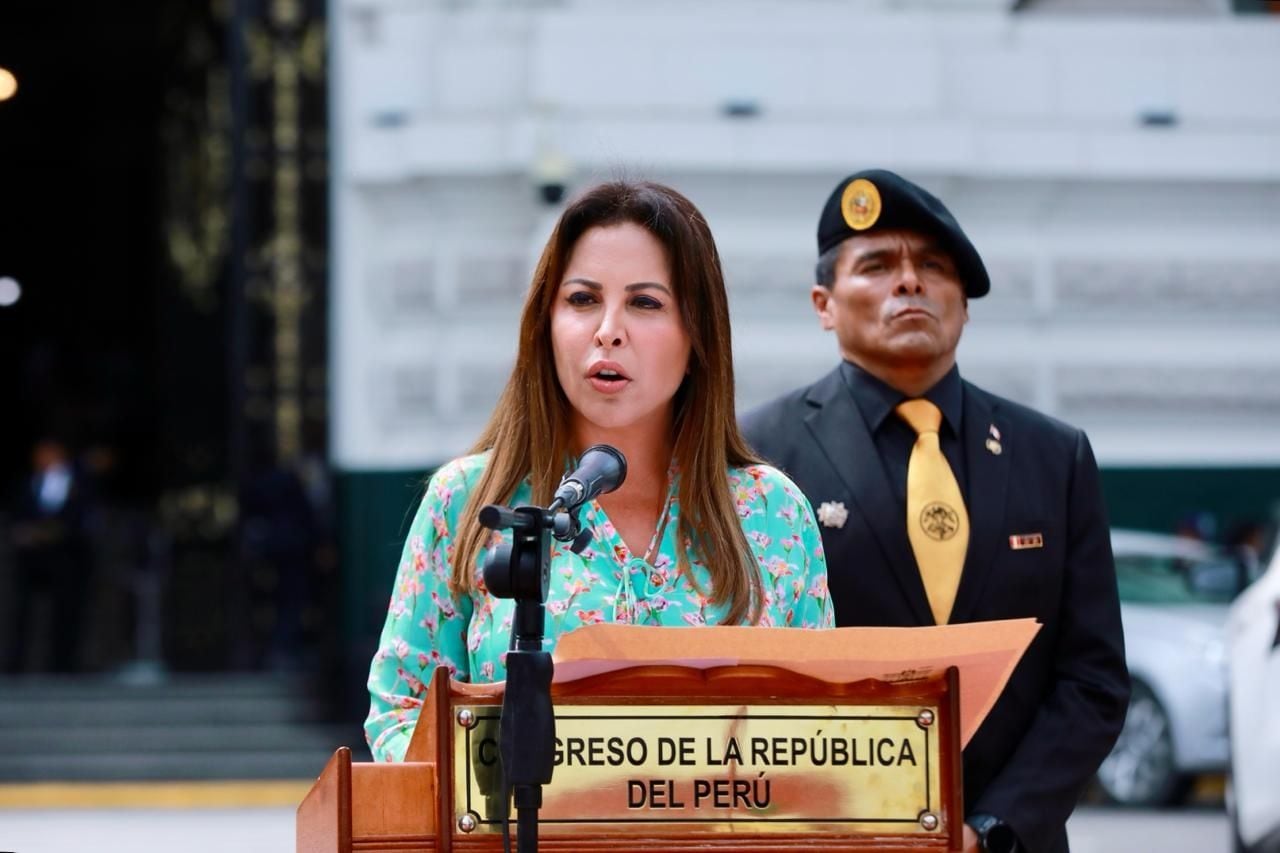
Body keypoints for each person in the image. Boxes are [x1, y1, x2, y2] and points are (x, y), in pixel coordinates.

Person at [366, 180, 833, 763]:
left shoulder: (773, 511)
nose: (608, 329)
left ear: (698, 338)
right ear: (546, 326)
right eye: (583, 299)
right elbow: (401, 713)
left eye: (646, 303)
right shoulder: (468, 500)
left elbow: (824, 733)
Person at [741, 170, 1129, 853]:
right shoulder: (756, 457)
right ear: (823, 303)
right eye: (878, 264)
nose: (911, 281)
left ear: (965, 305)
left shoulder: (1053, 455)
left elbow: (1091, 679)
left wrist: (992, 827)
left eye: (934, 266)